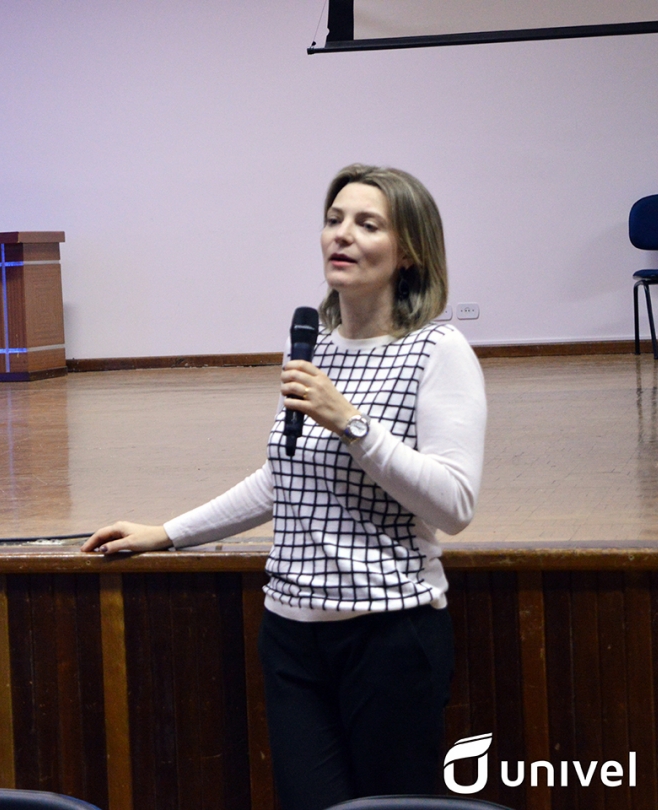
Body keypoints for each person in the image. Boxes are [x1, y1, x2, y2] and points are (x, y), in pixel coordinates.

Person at [81, 164, 486, 810]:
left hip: (390, 637)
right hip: (292, 636)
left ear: (408, 251)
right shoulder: (311, 346)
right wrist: (167, 533)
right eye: (334, 220)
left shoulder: (439, 351)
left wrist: (350, 422)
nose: (342, 235)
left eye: (367, 224)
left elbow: (454, 505)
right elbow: (285, 479)